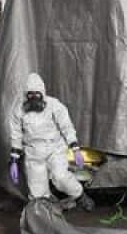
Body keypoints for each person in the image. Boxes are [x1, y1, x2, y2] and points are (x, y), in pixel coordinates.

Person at [8, 73, 94, 212]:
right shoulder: (18, 110)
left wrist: (75, 148)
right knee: (37, 193)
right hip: (33, 152)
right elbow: (16, 135)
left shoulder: (55, 106)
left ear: (42, 93)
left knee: (60, 177)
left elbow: (66, 127)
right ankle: (47, 213)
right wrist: (14, 160)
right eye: (30, 94)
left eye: (37, 93)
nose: (34, 97)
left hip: (55, 149)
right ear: (26, 95)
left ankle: (80, 196)